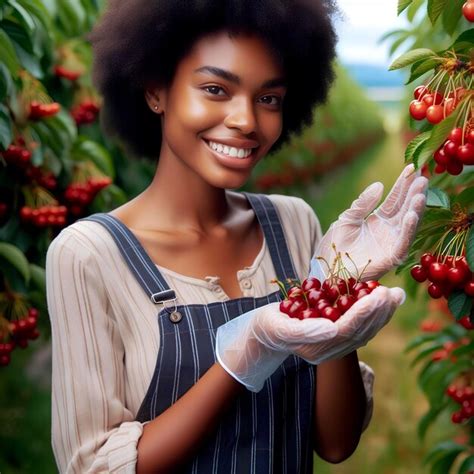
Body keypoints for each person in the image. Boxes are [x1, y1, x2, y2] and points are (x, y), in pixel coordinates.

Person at [45, 0, 428, 472]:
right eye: (215, 88)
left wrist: (338, 296)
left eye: (268, 98)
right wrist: (241, 358)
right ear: (155, 90)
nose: (246, 120)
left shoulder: (294, 223)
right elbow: (92, 466)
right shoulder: (89, 255)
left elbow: (334, 443)